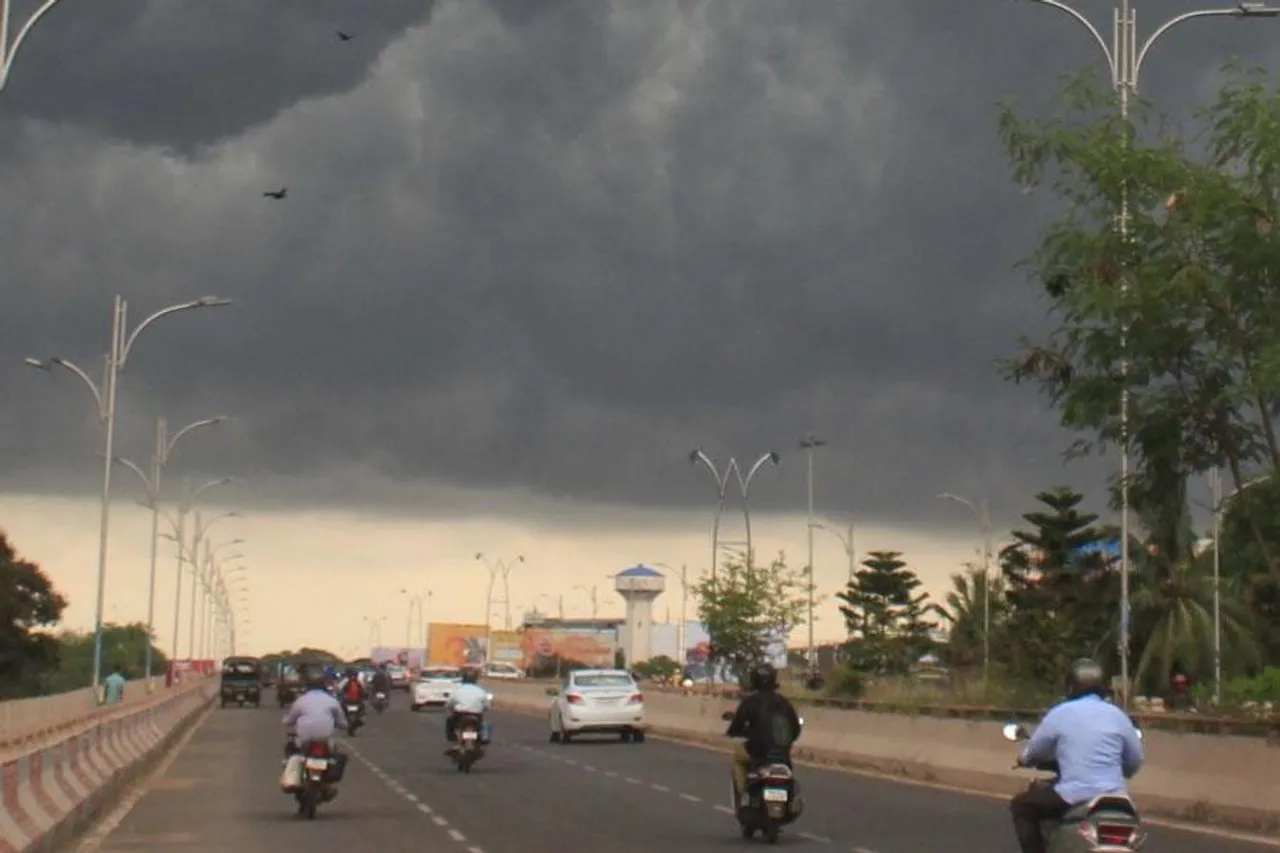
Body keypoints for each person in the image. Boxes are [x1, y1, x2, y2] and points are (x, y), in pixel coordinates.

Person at [1010, 658, 1145, 853]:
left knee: (1022, 806)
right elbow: (1135, 761)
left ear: (1071, 686)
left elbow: (1035, 750)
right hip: (1116, 798)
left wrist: (1024, 759)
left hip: (1074, 794)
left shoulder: (1061, 713)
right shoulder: (1118, 715)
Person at [725, 661, 802, 807]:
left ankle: (743, 795)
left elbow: (736, 726)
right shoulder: (783, 702)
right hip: (782, 754)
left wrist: (737, 732)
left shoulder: (749, 702)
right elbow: (795, 729)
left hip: (757, 752)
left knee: (738, 758)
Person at [282, 666, 349, 780]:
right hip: (324, 739)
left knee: (291, 749)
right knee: (336, 753)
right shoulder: (332, 701)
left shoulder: (301, 700)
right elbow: (343, 723)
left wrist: (287, 721)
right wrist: (340, 725)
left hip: (304, 739)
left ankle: (291, 774)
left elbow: (289, 720)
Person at [444, 667, 491, 752]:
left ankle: (453, 738)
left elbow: (449, 703)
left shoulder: (457, 690)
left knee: (450, 721)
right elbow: (487, 706)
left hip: (460, 715)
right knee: (483, 725)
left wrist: (449, 707)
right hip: (476, 715)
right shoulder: (481, 691)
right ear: (475, 680)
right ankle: (479, 740)